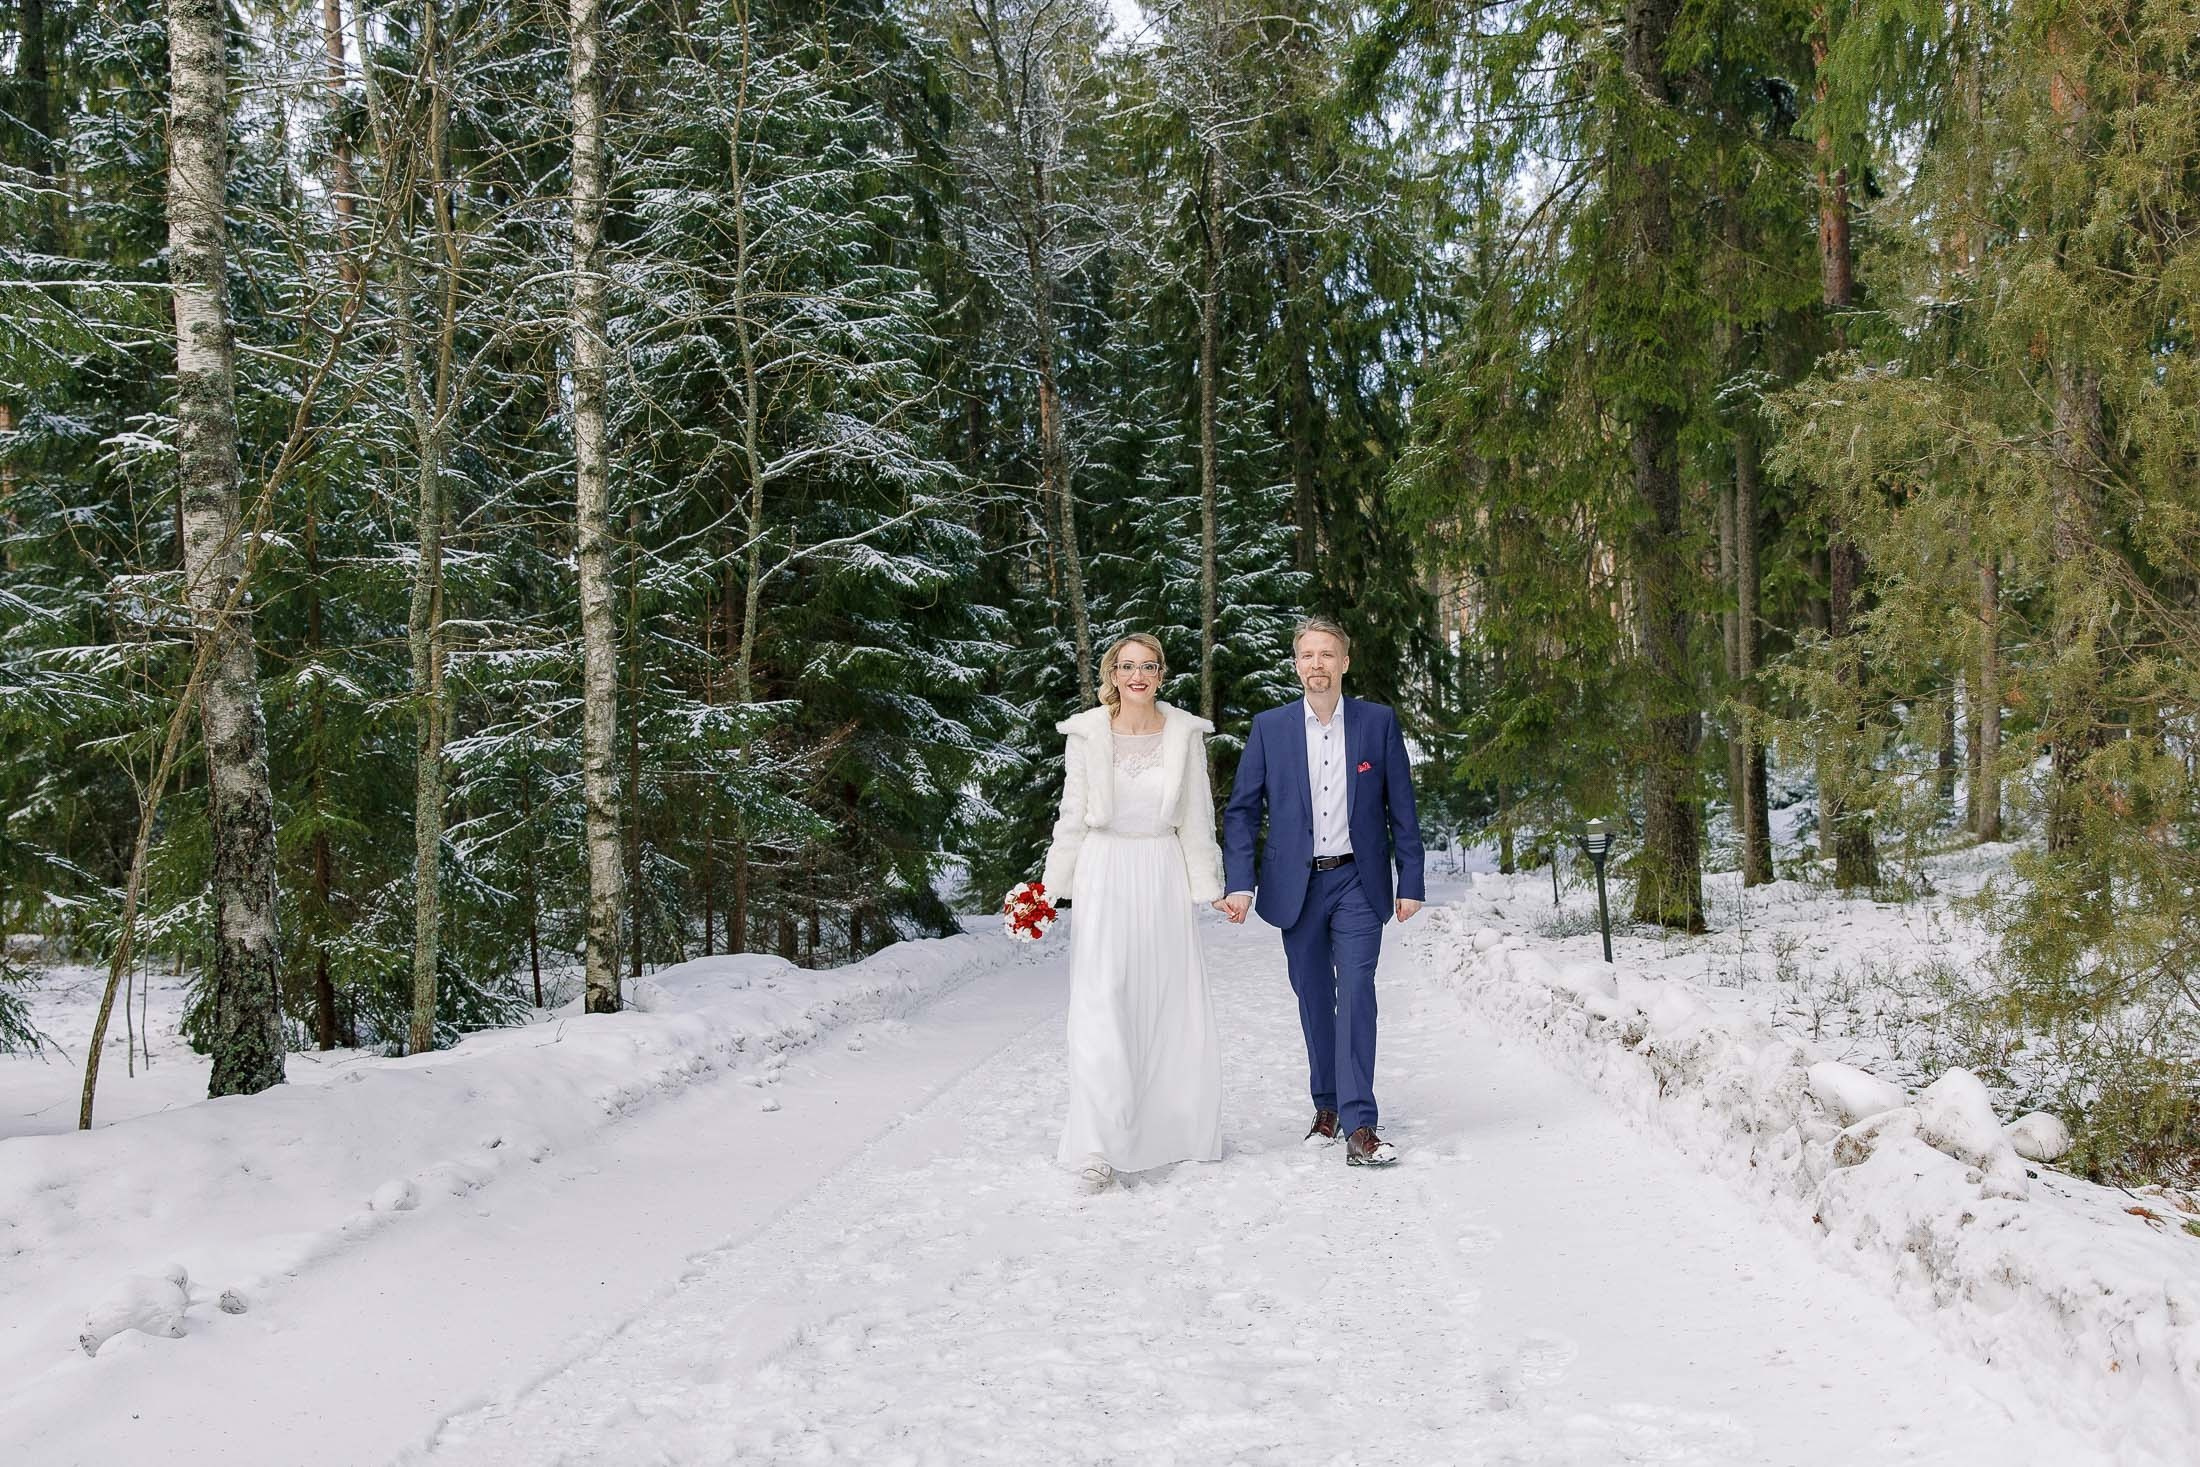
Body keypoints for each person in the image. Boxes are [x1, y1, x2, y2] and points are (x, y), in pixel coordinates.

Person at [1218, 617, 1424, 1168]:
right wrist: (1240, 880)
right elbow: (1241, 812)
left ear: (1344, 662)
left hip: (1359, 879)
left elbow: (1400, 806)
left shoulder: (1377, 724)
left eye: (1327, 655)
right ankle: (1326, 1104)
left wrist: (1413, 878)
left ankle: (1361, 1124)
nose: (1317, 664)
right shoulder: (1270, 728)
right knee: (1314, 997)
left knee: (1357, 991)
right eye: (1307, 655)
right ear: (1296, 664)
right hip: (1297, 885)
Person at [1040, 633, 1226, 1192]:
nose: (1137, 675)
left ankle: (1170, 1129)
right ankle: (1098, 1141)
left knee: (1168, 999)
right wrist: (1051, 887)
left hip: (1162, 870)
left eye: (1148, 666)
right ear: (1112, 674)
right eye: (1127, 666)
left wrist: (1208, 885)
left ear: (1162, 674)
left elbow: (1197, 815)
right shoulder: (1087, 733)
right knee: (1102, 999)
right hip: (1105, 870)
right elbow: (1072, 813)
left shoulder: (1184, 735)